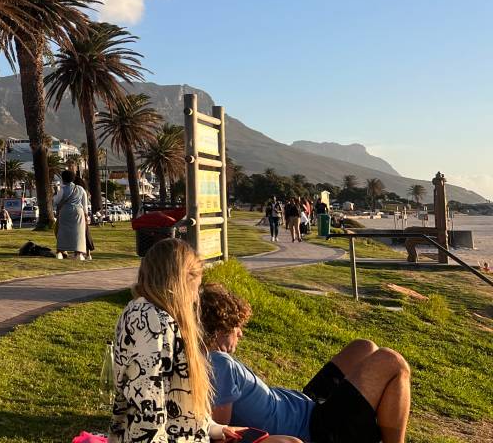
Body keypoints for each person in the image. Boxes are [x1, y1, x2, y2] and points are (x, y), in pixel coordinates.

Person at [201, 284, 412, 443]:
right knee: (392, 362)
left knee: (363, 347)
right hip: (316, 429)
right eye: (236, 326)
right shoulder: (218, 363)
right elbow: (222, 433)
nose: (241, 333)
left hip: (306, 406)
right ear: (220, 330)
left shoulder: (217, 361)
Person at [110, 238, 254, 442]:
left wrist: (214, 429)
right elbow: (148, 413)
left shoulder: (140, 312)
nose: (196, 297)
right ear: (181, 281)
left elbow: (174, 406)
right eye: (196, 286)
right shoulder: (153, 322)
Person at [54, 170, 89, 261]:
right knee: (78, 232)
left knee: (62, 231)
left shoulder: (62, 189)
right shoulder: (80, 189)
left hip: (65, 211)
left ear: (63, 179)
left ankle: (60, 252)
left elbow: (56, 201)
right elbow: (85, 204)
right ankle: (78, 253)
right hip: (78, 211)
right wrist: (86, 215)